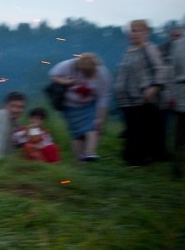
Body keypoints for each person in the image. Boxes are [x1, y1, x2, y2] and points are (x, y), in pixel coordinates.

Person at [114, 20, 167, 165]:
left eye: (137, 30)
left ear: (146, 33)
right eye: (131, 30)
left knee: (140, 131)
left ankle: (140, 161)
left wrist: (154, 87)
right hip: (126, 100)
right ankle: (132, 160)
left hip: (140, 99)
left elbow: (160, 69)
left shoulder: (149, 49)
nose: (133, 33)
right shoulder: (129, 51)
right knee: (131, 129)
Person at [49, 53, 111, 162]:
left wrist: (100, 117)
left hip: (89, 104)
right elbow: (53, 75)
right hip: (69, 105)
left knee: (94, 127)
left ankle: (90, 153)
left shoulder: (103, 74)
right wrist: (67, 82)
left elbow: (103, 97)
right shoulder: (68, 65)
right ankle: (80, 161)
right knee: (77, 134)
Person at [0, 91, 27, 161]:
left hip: (7, 159)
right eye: (13, 106)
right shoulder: (2, 115)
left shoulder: (16, 121)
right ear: (5, 105)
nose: (16, 110)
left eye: (20, 107)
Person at [169, 24, 185, 178]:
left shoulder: (178, 44)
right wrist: (171, 93)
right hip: (182, 91)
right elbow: (172, 71)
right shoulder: (178, 45)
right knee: (180, 130)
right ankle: (177, 164)